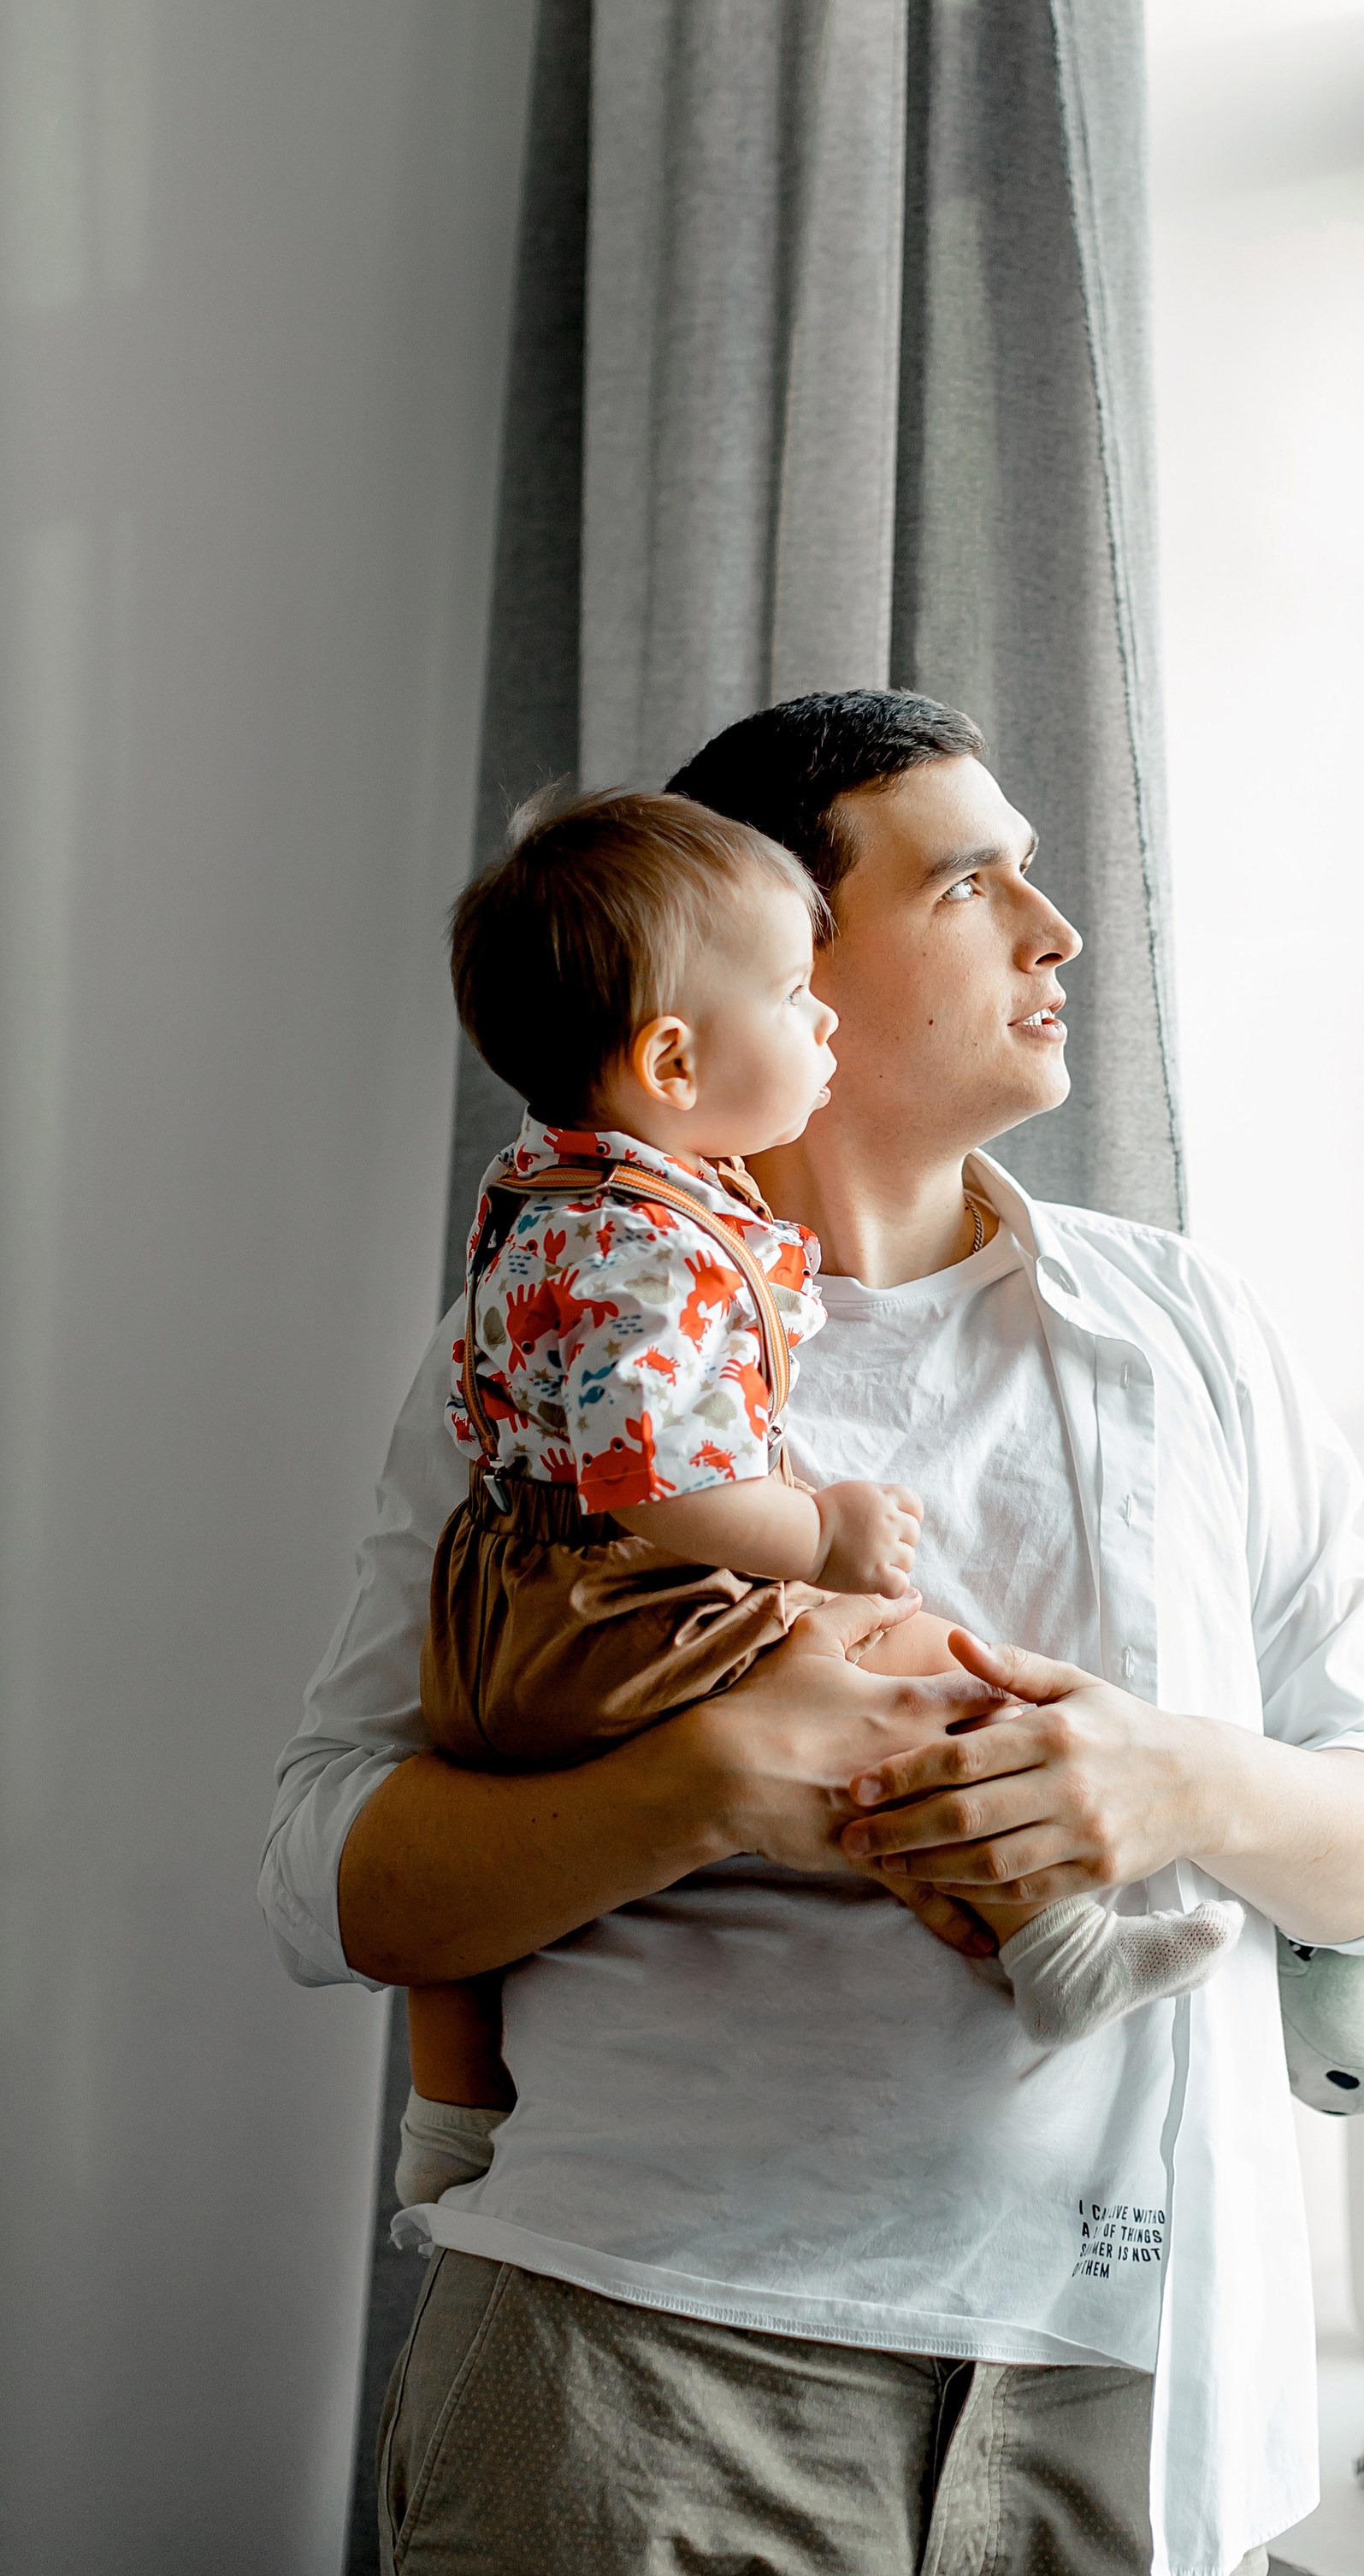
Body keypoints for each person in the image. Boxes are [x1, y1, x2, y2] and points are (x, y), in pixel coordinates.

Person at [262, 689, 1364, 2576]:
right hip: (638, 2398)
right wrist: (720, 1783)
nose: (1058, 927)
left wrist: (1174, 1788)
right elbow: (329, 1863)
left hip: (1124, 2439)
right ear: (779, 967)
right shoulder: (562, 1347)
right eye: (975, 878)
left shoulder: (1185, 1334)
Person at [402, 783, 1243, 2194]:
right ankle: (1060, 1940)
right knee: (910, 1660)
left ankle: (449, 2131)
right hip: (612, 1604)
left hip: (496, 1621)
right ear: (674, 1059)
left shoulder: (548, 1201)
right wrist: (822, 1531)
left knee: (479, 1841)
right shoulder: (646, 1249)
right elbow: (653, 1475)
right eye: (798, 995)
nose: (825, 1026)